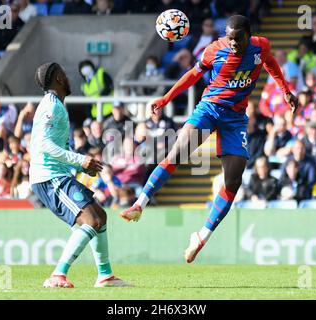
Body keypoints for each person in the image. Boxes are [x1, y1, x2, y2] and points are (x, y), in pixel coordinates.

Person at [120, 15, 298, 263]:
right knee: (177, 154)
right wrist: (165, 99)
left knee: (233, 182)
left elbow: (270, 64)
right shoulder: (214, 49)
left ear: (248, 34)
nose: (232, 43)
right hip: (209, 109)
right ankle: (140, 204)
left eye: (237, 39)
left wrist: (285, 90)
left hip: (235, 119)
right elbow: (192, 76)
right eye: (229, 37)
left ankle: (201, 236)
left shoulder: (262, 46)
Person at [30, 62, 130, 288]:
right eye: (64, 73)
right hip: (49, 178)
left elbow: (55, 144)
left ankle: (105, 276)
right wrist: (79, 160)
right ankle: (58, 274)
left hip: (58, 175)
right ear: (58, 79)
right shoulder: (51, 106)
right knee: (92, 220)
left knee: (100, 217)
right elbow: (44, 144)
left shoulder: (55, 104)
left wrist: (80, 165)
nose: (68, 76)